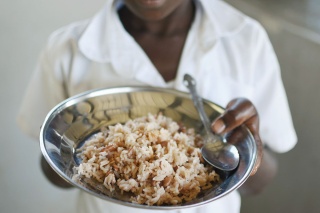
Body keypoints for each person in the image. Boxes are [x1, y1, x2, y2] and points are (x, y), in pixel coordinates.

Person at [17, 0, 297, 212]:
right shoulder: (67, 48)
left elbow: (261, 181)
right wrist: (78, 155)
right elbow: (50, 167)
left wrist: (247, 153)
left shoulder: (246, 39)